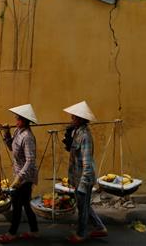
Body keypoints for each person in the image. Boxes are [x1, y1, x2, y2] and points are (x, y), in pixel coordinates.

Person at [62, 101, 107, 244]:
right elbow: (75, 153)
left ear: (81, 119)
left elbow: (87, 164)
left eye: (74, 117)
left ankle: (81, 234)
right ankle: (100, 227)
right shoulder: (76, 132)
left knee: (82, 208)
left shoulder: (86, 136)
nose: (71, 119)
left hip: (84, 178)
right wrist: (68, 140)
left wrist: (82, 185)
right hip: (76, 175)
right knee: (85, 205)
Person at [0, 104, 40, 244]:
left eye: (18, 118)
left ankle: (12, 233)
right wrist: (6, 133)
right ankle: (34, 231)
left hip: (25, 177)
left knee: (16, 204)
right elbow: (11, 147)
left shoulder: (27, 136)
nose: (16, 120)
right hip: (18, 174)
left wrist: (20, 177)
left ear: (25, 120)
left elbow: (30, 160)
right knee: (26, 204)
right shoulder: (18, 132)